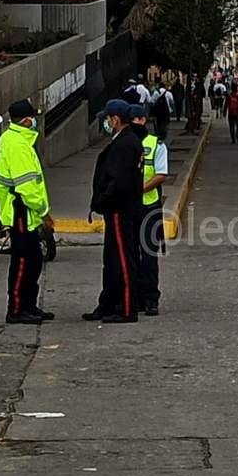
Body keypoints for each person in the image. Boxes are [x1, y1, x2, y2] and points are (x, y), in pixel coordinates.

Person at [0, 99, 55, 324]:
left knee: (34, 260)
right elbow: (27, 187)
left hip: (24, 211)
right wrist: (44, 212)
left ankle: (29, 305)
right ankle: (17, 309)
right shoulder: (17, 145)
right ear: (27, 120)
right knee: (24, 262)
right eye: (34, 117)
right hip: (21, 210)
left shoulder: (14, 140)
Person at [84, 99, 143, 323]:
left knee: (123, 258)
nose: (106, 123)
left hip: (120, 209)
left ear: (116, 120)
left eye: (108, 119)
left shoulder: (125, 144)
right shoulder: (124, 141)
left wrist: (101, 200)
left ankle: (127, 308)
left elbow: (118, 181)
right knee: (111, 259)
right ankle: (108, 303)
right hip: (118, 209)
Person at [129, 104, 167, 316]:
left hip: (149, 208)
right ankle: (135, 298)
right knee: (131, 254)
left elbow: (161, 174)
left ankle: (151, 298)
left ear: (143, 120)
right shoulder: (126, 143)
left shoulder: (156, 145)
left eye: (135, 120)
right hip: (129, 208)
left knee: (149, 256)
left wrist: (137, 190)